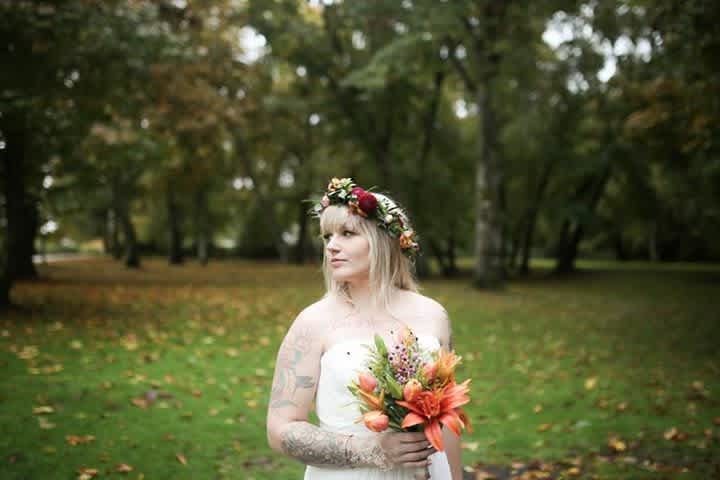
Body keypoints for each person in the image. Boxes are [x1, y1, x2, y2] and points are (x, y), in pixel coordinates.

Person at [266, 177, 463, 479]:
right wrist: (370, 451)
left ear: (384, 240)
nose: (332, 246)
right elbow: (280, 429)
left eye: (347, 233)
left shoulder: (434, 315)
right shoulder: (313, 322)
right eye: (327, 236)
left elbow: (447, 420)